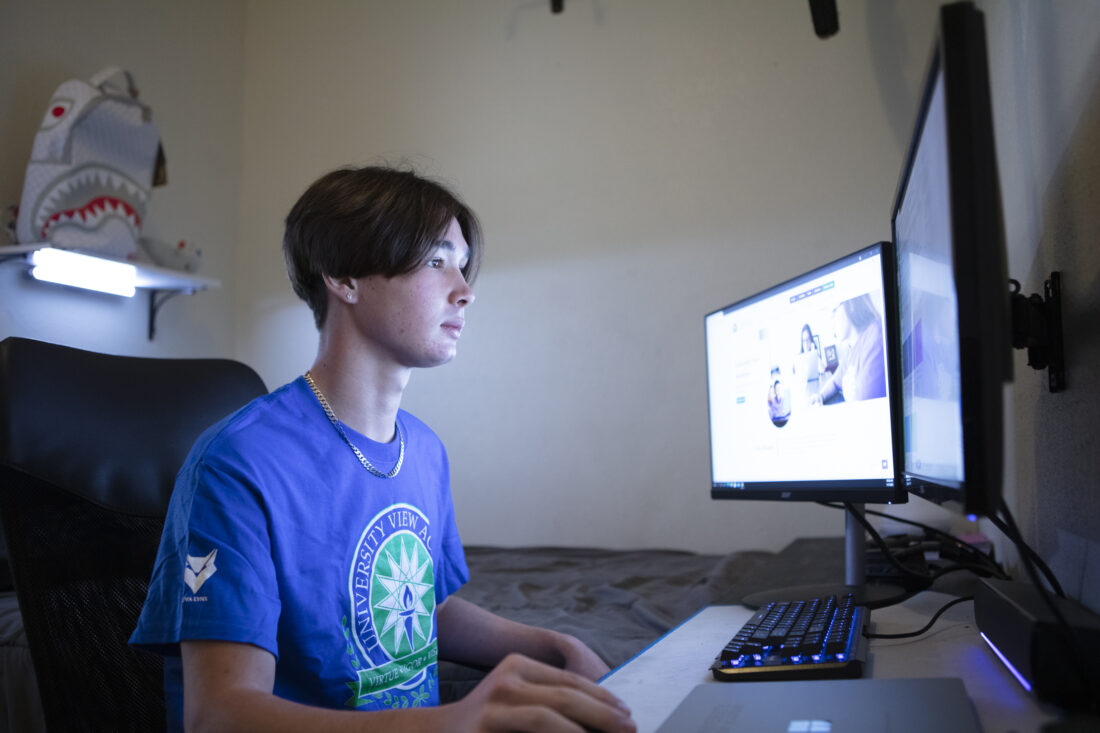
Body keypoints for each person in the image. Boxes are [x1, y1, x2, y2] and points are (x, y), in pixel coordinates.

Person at [130, 166, 634, 733]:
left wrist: (550, 646)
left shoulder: (424, 450)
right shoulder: (238, 464)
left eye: (463, 265)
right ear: (344, 277)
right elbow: (218, 716)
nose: (465, 290)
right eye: (436, 261)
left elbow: (423, 610)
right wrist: (453, 723)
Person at [812, 293, 886, 404]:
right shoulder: (852, 347)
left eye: (833, 312)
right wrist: (820, 396)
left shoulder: (875, 340)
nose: (831, 322)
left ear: (850, 305)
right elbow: (834, 382)